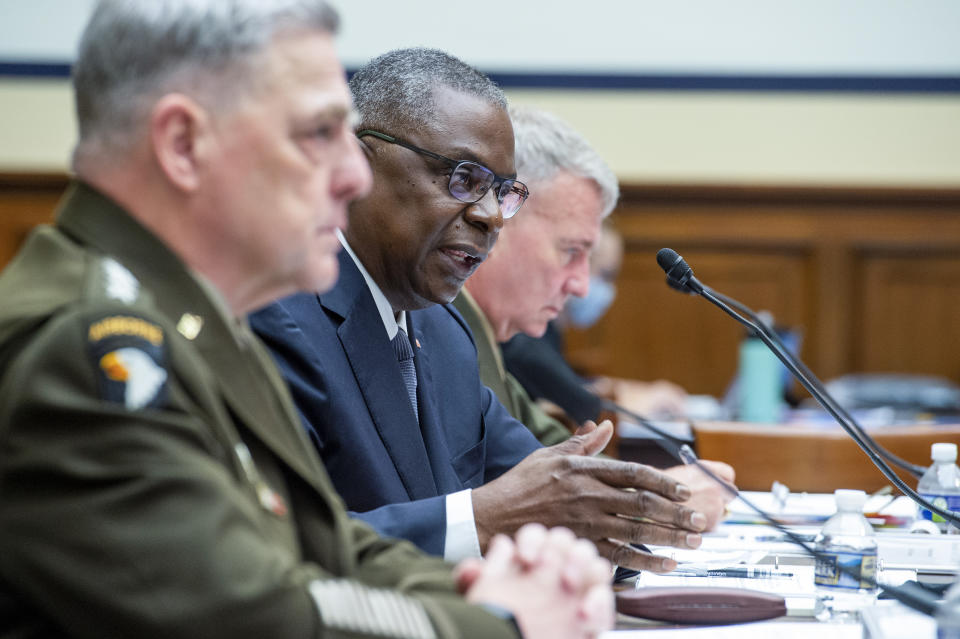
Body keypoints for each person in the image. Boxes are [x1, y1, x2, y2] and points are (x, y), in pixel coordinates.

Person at [0, 3, 614, 638]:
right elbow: (249, 616)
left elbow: (320, 549)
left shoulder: (197, 320)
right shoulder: (88, 348)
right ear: (183, 145)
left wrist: (497, 590)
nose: (351, 176)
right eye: (318, 135)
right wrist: (499, 620)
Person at [250, 47, 708, 574]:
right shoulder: (278, 320)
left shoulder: (445, 334)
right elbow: (280, 551)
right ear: (357, 165)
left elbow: (560, 500)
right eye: (462, 179)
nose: (491, 216)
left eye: (503, 192)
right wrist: (483, 520)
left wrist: (626, 517)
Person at [458, 106, 734, 529]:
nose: (582, 286)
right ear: (500, 217)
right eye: (571, 251)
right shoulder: (442, 331)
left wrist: (657, 495)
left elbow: (551, 470)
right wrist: (663, 499)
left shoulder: (480, 338)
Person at [500, 221, 687, 426]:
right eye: (606, 275)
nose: (609, 288)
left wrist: (628, 388)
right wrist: (646, 400)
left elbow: (572, 384)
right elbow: (583, 407)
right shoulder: (524, 336)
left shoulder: (548, 332)